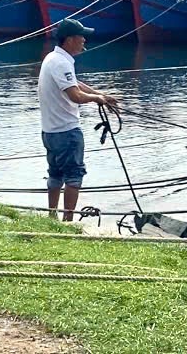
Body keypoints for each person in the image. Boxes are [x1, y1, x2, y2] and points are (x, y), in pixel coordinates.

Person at [38, 18, 118, 221]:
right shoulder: (61, 62)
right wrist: (97, 99)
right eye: (81, 37)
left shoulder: (52, 59)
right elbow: (76, 96)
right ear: (70, 40)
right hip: (67, 132)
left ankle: (52, 216)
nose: (84, 40)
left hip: (49, 131)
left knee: (55, 174)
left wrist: (101, 94)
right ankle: (68, 222)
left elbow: (75, 84)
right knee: (74, 176)